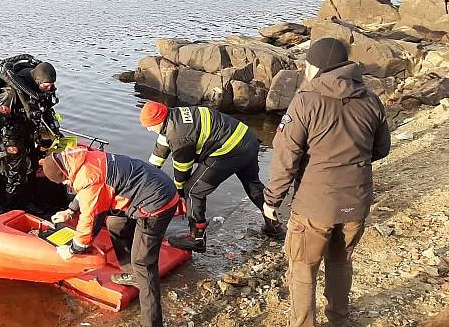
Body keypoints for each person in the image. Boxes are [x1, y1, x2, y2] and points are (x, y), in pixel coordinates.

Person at [263, 38, 390, 327]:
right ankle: (339, 320)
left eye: (307, 65)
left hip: (314, 206)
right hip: (356, 202)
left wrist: (272, 201)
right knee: (341, 263)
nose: (305, 70)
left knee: (303, 269)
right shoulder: (371, 100)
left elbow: (285, 157)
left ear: (316, 67)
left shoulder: (306, 101)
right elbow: (381, 149)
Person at [41, 147, 182, 327]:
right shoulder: (81, 158)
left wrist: (72, 249)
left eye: (63, 181)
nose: (64, 185)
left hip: (157, 203)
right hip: (152, 186)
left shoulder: (89, 179)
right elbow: (87, 186)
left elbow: (90, 222)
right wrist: (70, 210)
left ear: (64, 174)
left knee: (144, 264)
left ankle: (152, 322)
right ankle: (132, 274)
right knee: (115, 223)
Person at [139, 101, 285, 253]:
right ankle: (274, 227)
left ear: (160, 121)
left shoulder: (179, 135)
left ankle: (197, 238)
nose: (149, 129)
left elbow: (182, 169)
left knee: (192, 190)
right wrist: (147, 174)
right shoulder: (173, 116)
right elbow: (161, 148)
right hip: (247, 139)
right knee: (252, 184)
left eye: (150, 125)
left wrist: (179, 193)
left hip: (229, 150)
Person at [0, 55, 63, 212]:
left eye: (52, 85)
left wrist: (54, 132)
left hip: (27, 131)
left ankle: (26, 201)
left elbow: (46, 111)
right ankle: (10, 207)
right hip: (9, 134)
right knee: (15, 171)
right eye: (46, 85)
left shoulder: (40, 91)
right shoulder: (12, 91)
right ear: (38, 81)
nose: (49, 88)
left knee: (31, 165)